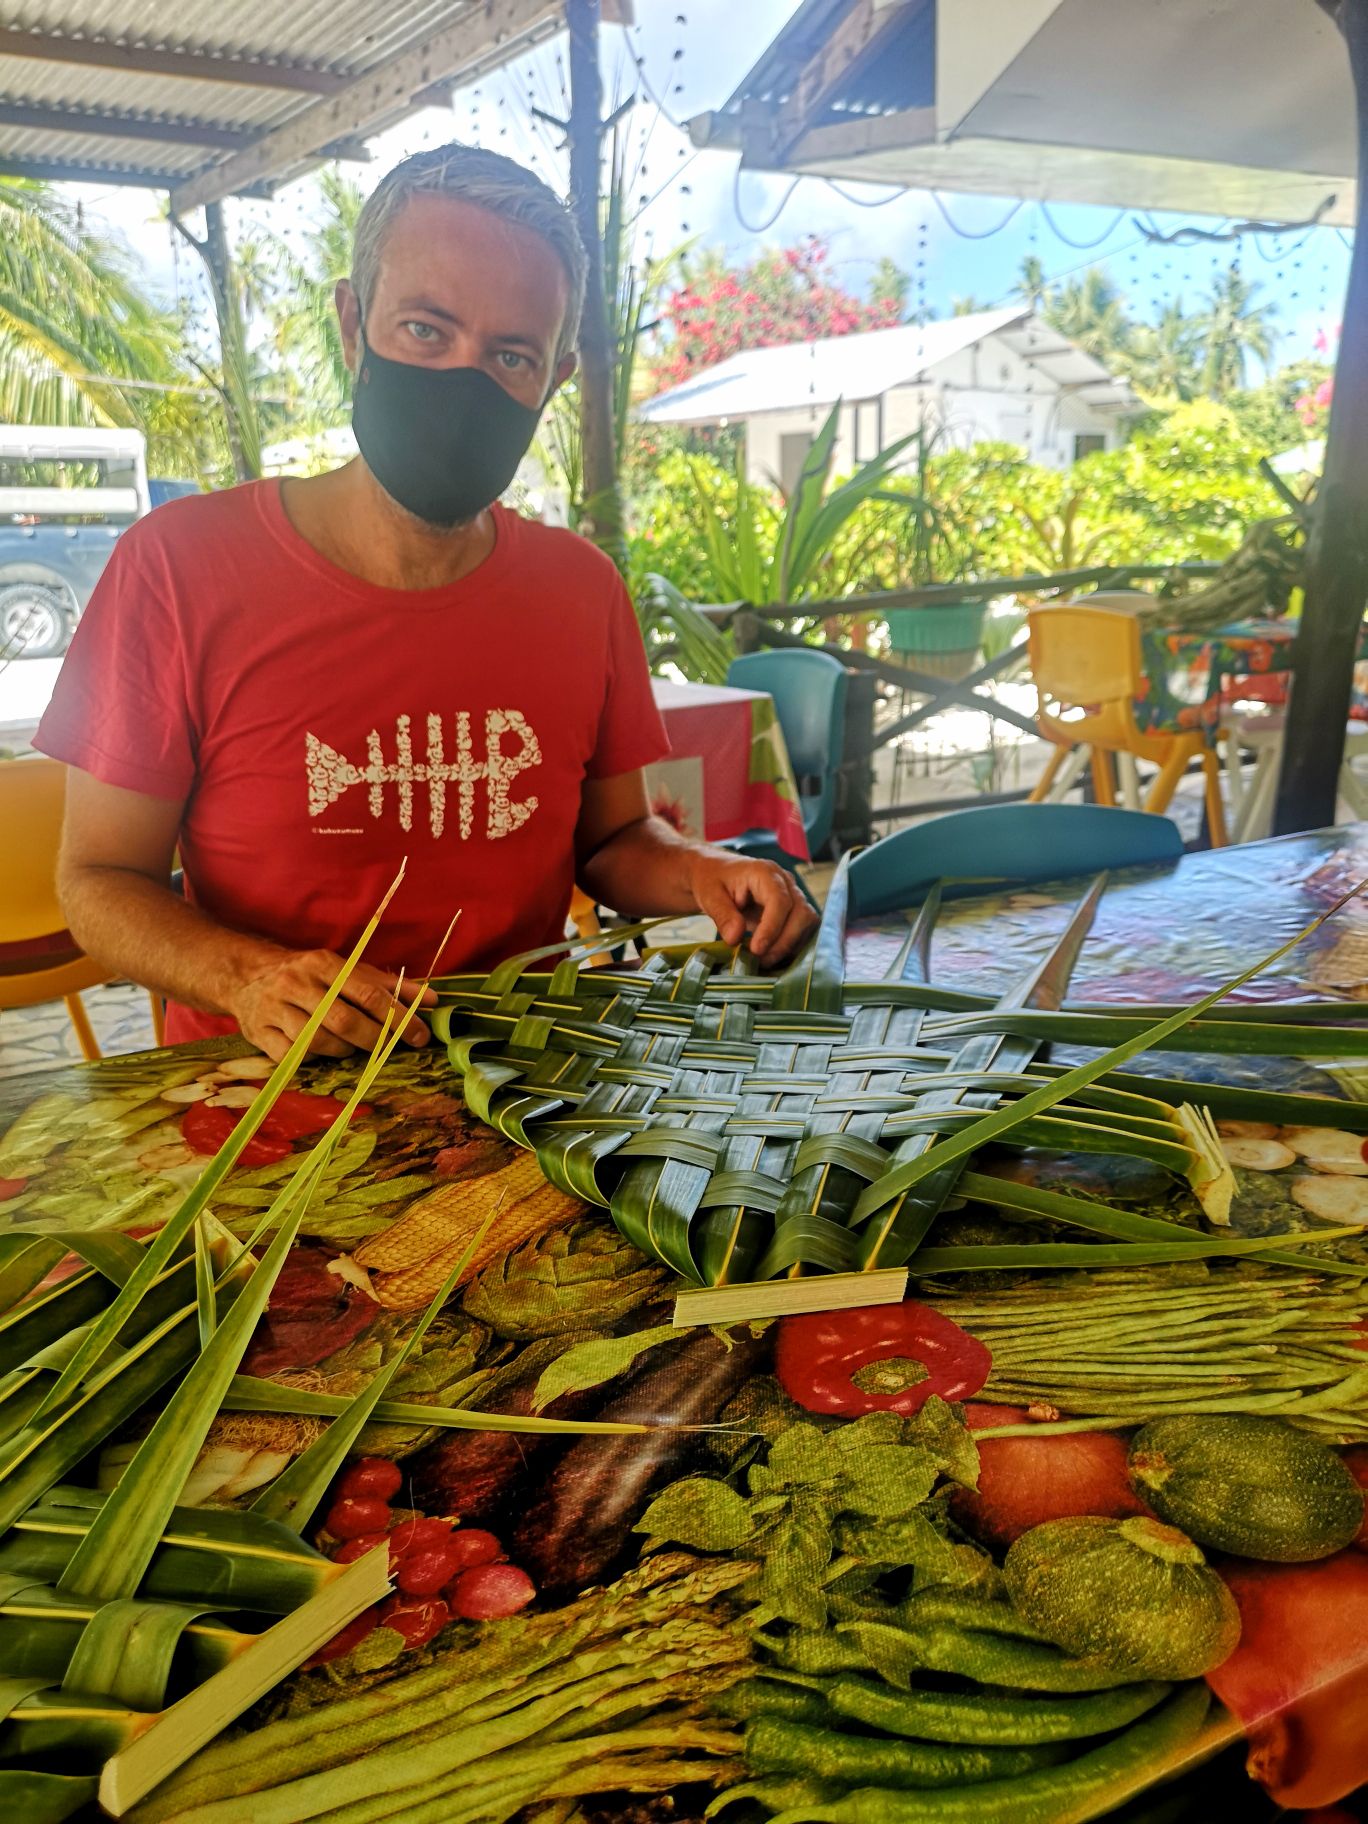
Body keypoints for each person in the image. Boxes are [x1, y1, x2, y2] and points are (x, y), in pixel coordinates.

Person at [35, 145, 817, 1063]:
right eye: (425, 330)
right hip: (265, 1095)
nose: (462, 382)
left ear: (554, 380)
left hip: (525, 1080)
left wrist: (704, 870)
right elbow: (98, 881)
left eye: (511, 356)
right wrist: (246, 977)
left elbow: (609, 840)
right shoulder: (177, 568)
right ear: (352, 323)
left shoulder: (580, 590)